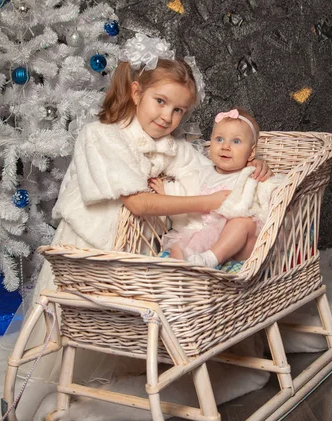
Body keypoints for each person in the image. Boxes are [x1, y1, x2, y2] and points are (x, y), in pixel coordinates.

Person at [32, 36, 272, 300]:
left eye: (178, 109)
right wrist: (207, 202)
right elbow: (138, 204)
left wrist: (250, 166)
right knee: (74, 317)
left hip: (139, 251)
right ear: (136, 93)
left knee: (129, 327)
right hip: (87, 250)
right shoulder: (101, 136)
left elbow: (213, 172)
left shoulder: (170, 145)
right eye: (160, 101)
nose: (168, 117)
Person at [150, 108, 284, 270]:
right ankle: (183, 276)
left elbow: (272, 192)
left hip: (239, 245)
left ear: (251, 152)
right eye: (219, 139)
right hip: (204, 236)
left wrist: (268, 175)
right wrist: (166, 192)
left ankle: (210, 259)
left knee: (243, 223)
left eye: (236, 141)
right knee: (178, 247)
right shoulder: (202, 172)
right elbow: (187, 193)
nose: (225, 146)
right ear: (210, 143)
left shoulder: (250, 174)